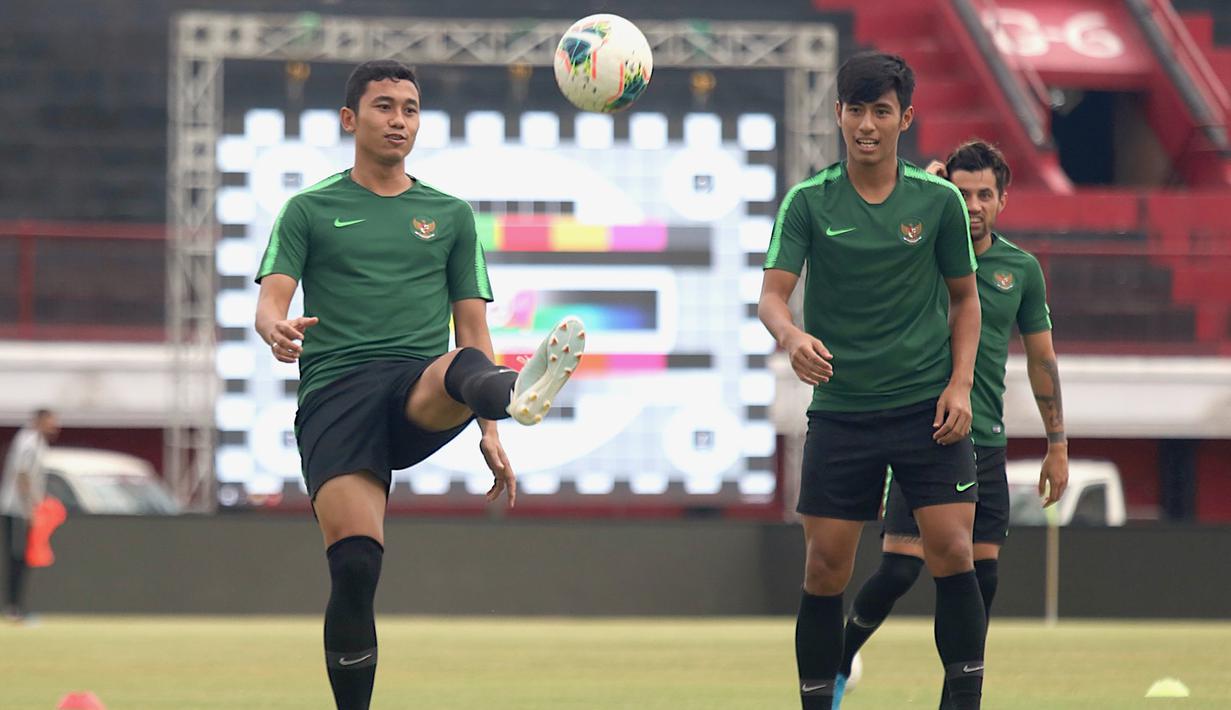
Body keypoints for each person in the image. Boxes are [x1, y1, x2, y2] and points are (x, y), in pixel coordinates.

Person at [254, 59, 584, 710]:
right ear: (349, 120)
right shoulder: (309, 210)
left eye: (409, 109)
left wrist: (490, 432)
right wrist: (275, 329)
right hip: (337, 395)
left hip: (417, 385)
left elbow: (472, 327)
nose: (398, 120)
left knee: (462, 364)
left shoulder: (450, 215)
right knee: (355, 567)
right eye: (383, 107)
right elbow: (271, 302)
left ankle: (511, 395)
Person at [759, 52, 988, 710]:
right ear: (837, 113)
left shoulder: (939, 201)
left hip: (926, 411)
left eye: (880, 111)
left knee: (953, 550)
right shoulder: (808, 201)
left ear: (904, 118)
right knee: (824, 566)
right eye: (855, 110)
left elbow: (965, 300)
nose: (866, 124)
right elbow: (772, 298)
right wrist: (792, 337)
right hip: (842, 412)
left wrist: (959, 386)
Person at [834, 140, 1068, 709]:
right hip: (924, 439)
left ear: (1003, 199)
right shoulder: (921, 253)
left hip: (984, 443)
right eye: (961, 194)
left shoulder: (1021, 270)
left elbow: (1041, 359)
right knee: (898, 572)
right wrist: (922, 189)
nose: (973, 206)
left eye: (984, 194)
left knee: (978, 587)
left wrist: (1057, 443)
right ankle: (837, 660)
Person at [0, 408, 60, 622]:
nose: (55, 427)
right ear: (40, 420)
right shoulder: (28, 441)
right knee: (17, 558)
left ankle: (16, 607)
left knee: (23, 558)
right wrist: (30, 509)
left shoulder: (37, 442)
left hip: (24, 509)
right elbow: (22, 475)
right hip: (16, 509)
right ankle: (13, 609)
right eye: (51, 421)